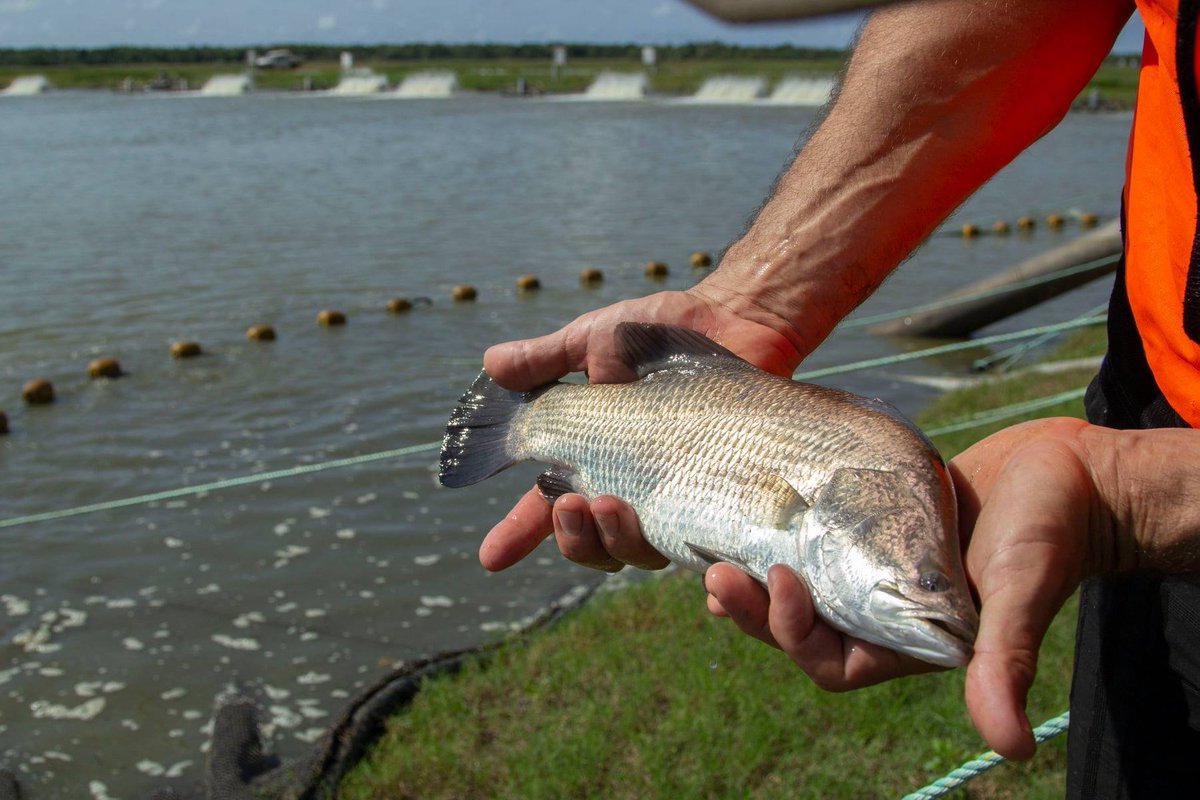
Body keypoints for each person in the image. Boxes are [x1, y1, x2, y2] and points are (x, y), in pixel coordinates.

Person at [477, 1, 1200, 795]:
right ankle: (525, 427)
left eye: (928, 579)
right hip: (1158, 387)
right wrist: (757, 300)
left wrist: (1127, 495)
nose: (940, 596)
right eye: (933, 578)